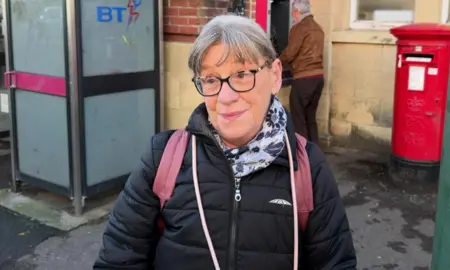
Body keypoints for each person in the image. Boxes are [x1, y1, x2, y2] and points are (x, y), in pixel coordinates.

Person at [93, 14, 356, 270]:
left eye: (242, 74)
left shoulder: (308, 167)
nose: (226, 96)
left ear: (275, 76)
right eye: (210, 79)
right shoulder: (162, 158)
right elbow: (118, 258)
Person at [280, 0, 324, 147]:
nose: (292, 17)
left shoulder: (299, 28)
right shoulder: (318, 28)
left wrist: (275, 62)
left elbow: (290, 53)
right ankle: (315, 153)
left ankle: (303, 154)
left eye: (293, 13)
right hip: (318, 79)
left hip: (304, 79)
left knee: (298, 119)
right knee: (310, 118)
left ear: (297, 12)